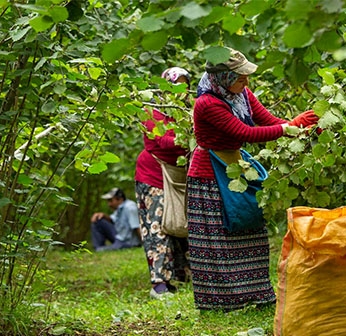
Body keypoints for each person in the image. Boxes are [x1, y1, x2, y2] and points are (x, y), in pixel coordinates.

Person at [186, 48, 319, 311]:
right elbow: (246, 132)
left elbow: (269, 121)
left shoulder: (242, 95)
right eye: (240, 76)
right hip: (209, 174)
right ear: (223, 77)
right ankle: (223, 301)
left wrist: (303, 129)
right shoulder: (207, 103)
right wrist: (289, 127)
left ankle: (256, 295)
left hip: (237, 167)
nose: (246, 81)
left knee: (250, 227)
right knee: (221, 236)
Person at [135, 67, 192, 298]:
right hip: (153, 176)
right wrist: (191, 136)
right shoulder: (152, 112)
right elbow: (164, 141)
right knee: (158, 227)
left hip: (179, 177)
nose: (181, 91)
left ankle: (183, 276)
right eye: (176, 86)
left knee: (181, 224)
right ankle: (159, 285)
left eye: (185, 86)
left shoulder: (186, 111)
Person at [90, 187, 142, 251]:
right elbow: (112, 220)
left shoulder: (130, 208)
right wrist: (103, 215)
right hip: (119, 237)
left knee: (101, 250)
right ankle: (98, 248)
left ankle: (99, 249)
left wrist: (144, 245)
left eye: (111, 201)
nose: (109, 204)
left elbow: (137, 227)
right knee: (98, 221)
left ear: (120, 199)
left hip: (127, 242)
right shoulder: (120, 208)